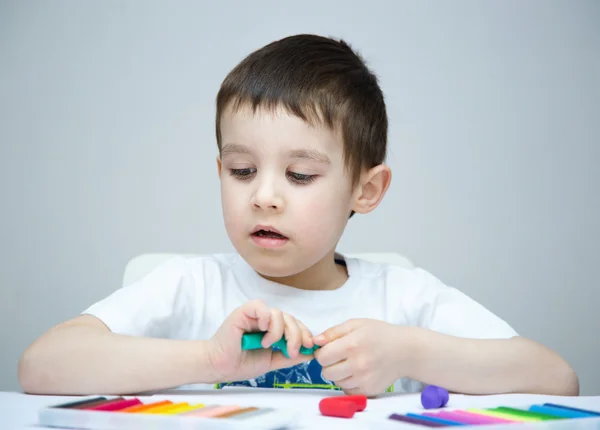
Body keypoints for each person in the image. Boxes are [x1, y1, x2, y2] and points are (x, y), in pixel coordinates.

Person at [18, 34, 579, 397]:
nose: (264, 197)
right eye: (241, 171)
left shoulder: (404, 299)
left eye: (300, 175)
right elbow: (42, 367)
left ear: (366, 189)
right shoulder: (189, 286)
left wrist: (410, 351)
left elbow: (557, 379)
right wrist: (209, 359)